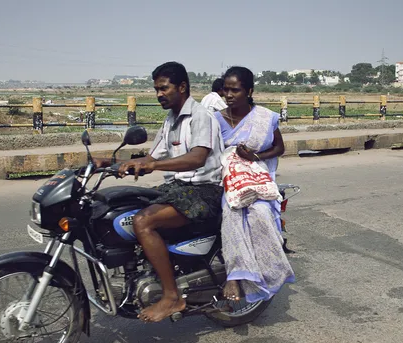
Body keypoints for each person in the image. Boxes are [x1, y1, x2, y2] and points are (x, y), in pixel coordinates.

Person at [95, 61, 224, 322]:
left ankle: (171, 297)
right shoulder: (170, 120)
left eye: (163, 88)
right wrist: (110, 163)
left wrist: (153, 165)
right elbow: (152, 157)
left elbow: (197, 157)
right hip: (178, 189)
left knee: (144, 222)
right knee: (126, 209)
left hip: (204, 191)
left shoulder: (201, 116)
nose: (158, 95)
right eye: (156, 89)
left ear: (182, 87)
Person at [214, 66, 295, 303]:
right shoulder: (216, 119)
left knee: (260, 213)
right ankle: (235, 273)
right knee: (232, 212)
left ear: (249, 91)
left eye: (235, 90)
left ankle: (269, 273)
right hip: (229, 181)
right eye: (226, 90)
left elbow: (279, 148)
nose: (229, 95)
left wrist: (254, 157)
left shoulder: (265, 118)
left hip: (258, 179)